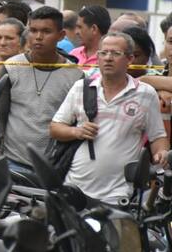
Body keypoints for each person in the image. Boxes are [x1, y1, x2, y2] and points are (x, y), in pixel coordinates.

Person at [51, 32, 168, 204]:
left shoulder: (145, 94)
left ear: (130, 59)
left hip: (118, 194)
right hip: (74, 187)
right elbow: (55, 128)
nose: (108, 58)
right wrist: (77, 132)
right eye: (103, 53)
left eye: (115, 53)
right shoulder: (81, 88)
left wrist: (161, 154)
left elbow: (157, 137)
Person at [0, 6, 84, 173]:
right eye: (33, 30)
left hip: (53, 168)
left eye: (46, 31)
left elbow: (76, 123)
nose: (38, 37)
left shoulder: (75, 76)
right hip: (11, 163)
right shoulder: (11, 67)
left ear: (61, 35)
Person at [70, 5, 111, 75]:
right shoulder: (73, 54)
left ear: (94, 29)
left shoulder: (109, 59)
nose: (76, 32)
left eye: (80, 27)